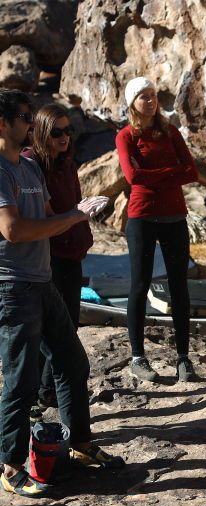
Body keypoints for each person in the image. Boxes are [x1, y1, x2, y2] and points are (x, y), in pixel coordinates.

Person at [0, 89, 124, 498]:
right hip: (12, 286)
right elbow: (13, 230)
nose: (30, 123)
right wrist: (73, 216)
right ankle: (11, 465)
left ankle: (80, 444)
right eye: (23, 116)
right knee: (21, 380)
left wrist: (83, 210)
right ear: (3, 124)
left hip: (42, 279)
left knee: (72, 363)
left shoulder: (31, 170)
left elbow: (52, 220)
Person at [115, 77, 198, 383]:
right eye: (143, 96)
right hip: (142, 217)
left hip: (175, 216)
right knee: (140, 285)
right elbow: (133, 176)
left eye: (153, 95)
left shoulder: (170, 131)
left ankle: (184, 358)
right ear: (132, 103)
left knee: (179, 286)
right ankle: (138, 357)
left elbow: (192, 171)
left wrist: (156, 176)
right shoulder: (126, 136)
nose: (150, 100)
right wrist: (171, 174)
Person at [22, 104, 93, 424]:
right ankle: (40, 393)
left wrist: (83, 234)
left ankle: (49, 390)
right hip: (47, 257)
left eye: (68, 131)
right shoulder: (31, 165)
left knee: (70, 325)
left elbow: (75, 204)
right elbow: (46, 217)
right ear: (41, 132)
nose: (65, 137)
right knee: (48, 333)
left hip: (71, 253)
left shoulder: (68, 163)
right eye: (57, 132)